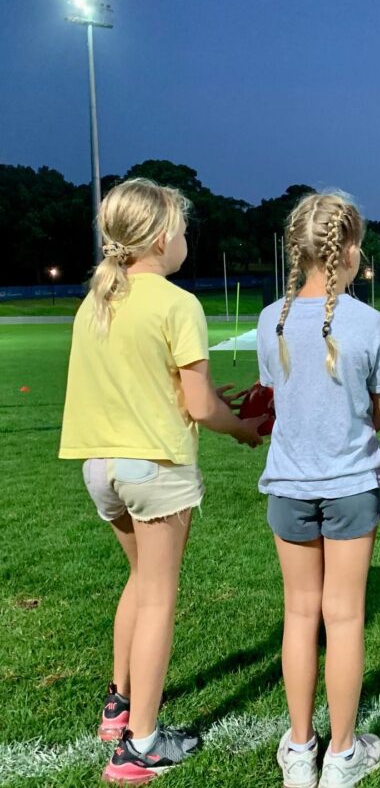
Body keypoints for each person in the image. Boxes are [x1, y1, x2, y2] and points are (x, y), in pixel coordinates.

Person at [59, 178, 265, 785]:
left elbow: (154, 388)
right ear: (156, 237)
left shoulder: (96, 301)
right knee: (158, 597)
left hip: (102, 468)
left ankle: (117, 706)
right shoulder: (177, 303)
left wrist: (196, 401)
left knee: (140, 582)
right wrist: (244, 428)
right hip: (154, 470)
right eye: (178, 228)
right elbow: (201, 408)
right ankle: (139, 745)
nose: (183, 240)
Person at [256, 192, 380, 788]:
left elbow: (276, 396)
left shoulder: (272, 318)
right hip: (350, 488)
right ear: (350, 249)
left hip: (289, 487)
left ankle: (300, 749)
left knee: (300, 615)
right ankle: (342, 755)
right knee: (343, 619)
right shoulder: (371, 323)